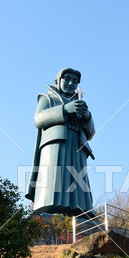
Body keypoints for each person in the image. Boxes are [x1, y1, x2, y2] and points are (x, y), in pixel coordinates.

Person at [25, 67, 95, 216]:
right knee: (54, 175)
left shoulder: (80, 102)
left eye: (75, 81)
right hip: (55, 144)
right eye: (67, 79)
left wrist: (87, 116)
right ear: (58, 81)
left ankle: (80, 209)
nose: (71, 83)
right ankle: (51, 206)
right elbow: (38, 119)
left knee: (77, 177)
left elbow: (91, 132)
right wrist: (64, 109)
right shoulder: (47, 99)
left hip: (76, 145)